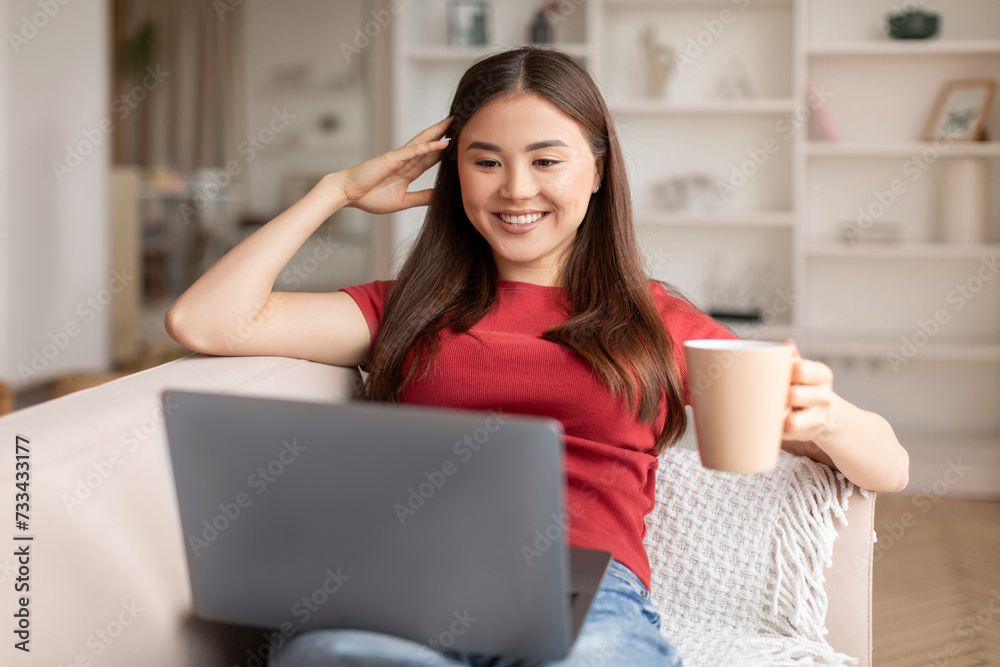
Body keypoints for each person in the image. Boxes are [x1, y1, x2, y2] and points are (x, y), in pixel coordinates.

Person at [165, 46, 909, 667]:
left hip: (580, 590)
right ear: (455, 174)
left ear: (596, 167)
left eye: (545, 160)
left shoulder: (658, 321)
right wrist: (335, 189)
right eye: (485, 162)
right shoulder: (404, 308)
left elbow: (890, 467)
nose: (516, 189)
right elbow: (206, 320)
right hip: (405, 583)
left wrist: (829, 414)